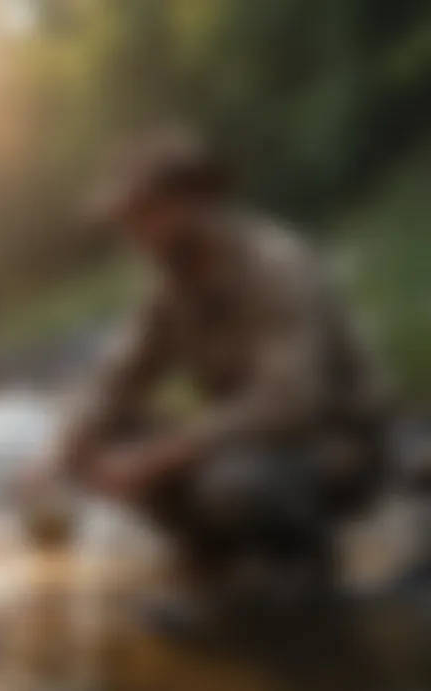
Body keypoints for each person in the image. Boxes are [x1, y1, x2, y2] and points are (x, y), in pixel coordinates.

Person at [28, 126, 387, 620]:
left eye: (146, 213)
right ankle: (217, 554)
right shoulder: (168, 291)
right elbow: (116, 382)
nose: (135, 234)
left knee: (233, 482)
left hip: (334, 447)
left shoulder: (275, 265)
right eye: (128, 220)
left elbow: (290, 404)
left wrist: (157, 458)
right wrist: (59, 455)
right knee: (107, 438)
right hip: (244, 443)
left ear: (194, 201)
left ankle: (302, 565)